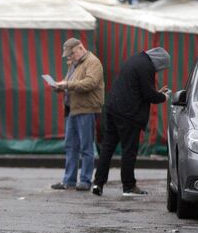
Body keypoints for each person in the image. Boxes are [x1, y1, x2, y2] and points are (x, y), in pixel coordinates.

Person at [92, 47, 171, 196]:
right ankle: (128, 186)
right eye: (161, 67)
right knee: (129, 151)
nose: (159, 70)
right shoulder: (147, 67)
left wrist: (156, 93)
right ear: (159, 62)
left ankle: (98, 184)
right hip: (128, 114)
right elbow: (148, 94)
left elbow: (138, 89)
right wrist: (163, 97)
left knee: (107, 148)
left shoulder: (135, 60)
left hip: (112, 108)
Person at [51, 38, 104, 191]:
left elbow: (90, 83)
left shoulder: (93, 62)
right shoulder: (76, 64)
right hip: (73, 109)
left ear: (80, 48)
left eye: (71, 54)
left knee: (86, 147)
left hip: (86, 109)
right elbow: (70, 82)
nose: (70, 57)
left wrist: (66, 85)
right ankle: (69, 180)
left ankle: (86, 181)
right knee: (70, 146)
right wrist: (59, 86)